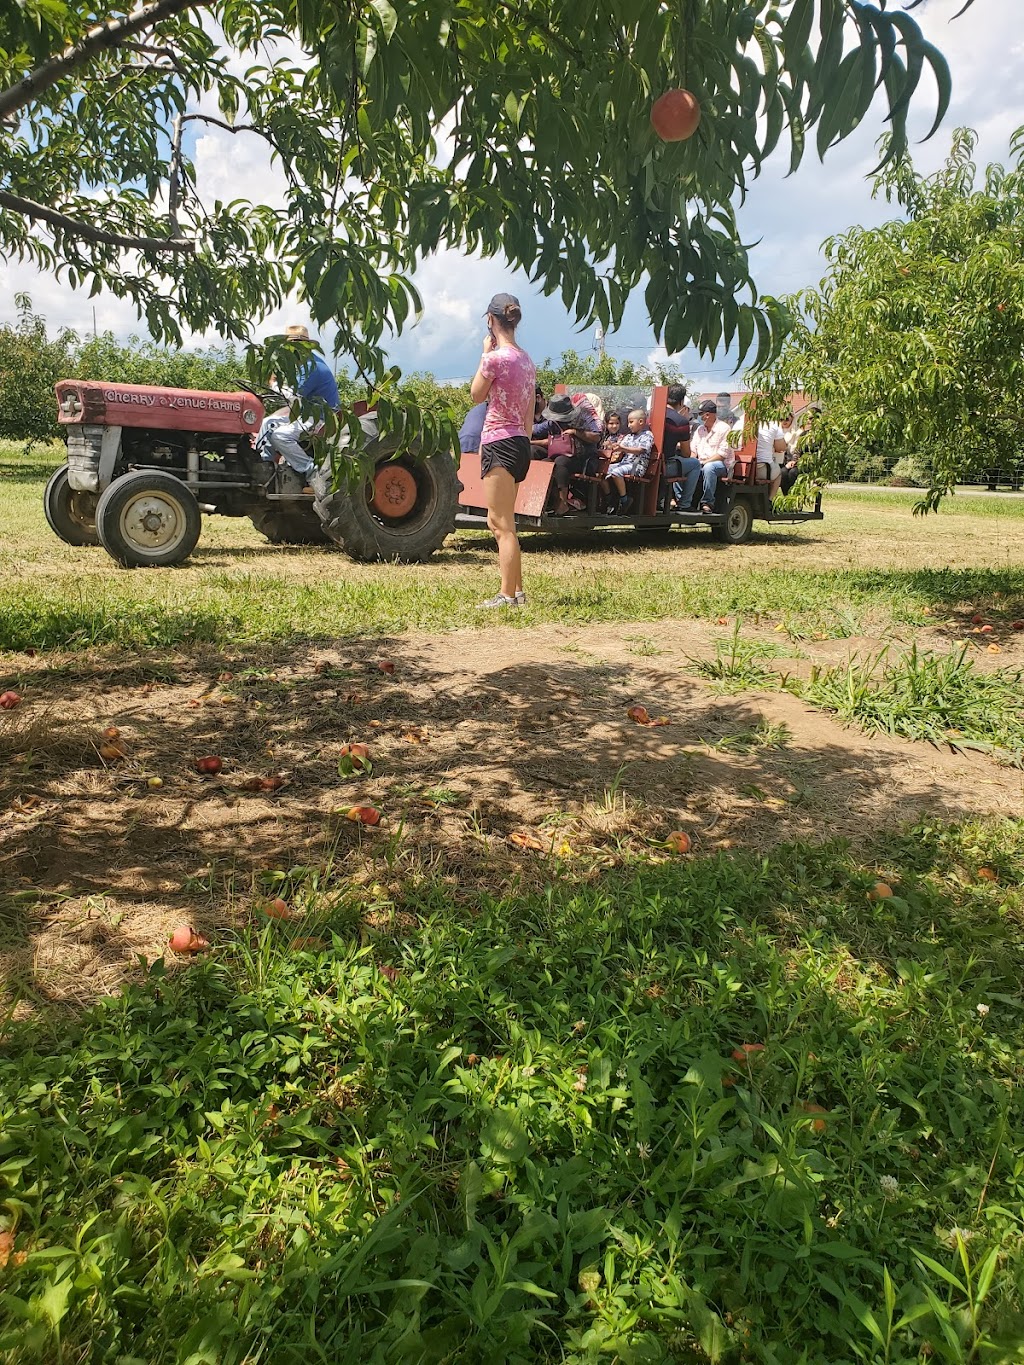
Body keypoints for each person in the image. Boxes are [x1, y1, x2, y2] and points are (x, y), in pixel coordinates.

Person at [470, 292, 536, 608]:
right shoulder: (527, 360)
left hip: (499, 441)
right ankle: (517, 591)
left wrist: (485, 354)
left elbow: (475, 395)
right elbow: (529, 408)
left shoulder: (495, 359)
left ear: (490, 319)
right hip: (521, 442)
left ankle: (506, 596)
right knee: (506, 522)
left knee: (500, 524)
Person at [256, 324, 340, 494]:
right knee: (267, 423)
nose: (291, 350)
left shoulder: (313, 367)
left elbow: (293, 396)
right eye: (289, 345)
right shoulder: (300, 366)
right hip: (305, 414)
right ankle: (265, 470)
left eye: (296, 345)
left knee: (281, 436)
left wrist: (272, 383)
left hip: (322, 418)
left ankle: (313, 474)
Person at [540, 393, 602, 515]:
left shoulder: (584, 416)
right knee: (545, 463)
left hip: (584, 459)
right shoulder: (553, 422)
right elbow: (537, 429)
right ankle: (549, 502)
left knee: (560, 462)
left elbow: (596, 437)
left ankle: (563, 503)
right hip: (562, 457)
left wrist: (575, 432)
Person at [602, 408, 654, 513]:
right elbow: (620, 447)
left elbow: (640, 450)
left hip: (637, 466)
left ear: (641, 422)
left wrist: (623, 449)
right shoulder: (629, 436)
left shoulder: (647, 435)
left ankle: (624, 500)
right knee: (602, 471)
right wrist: (611, 446)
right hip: (624, 464)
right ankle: (610, 499)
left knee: (616, 472)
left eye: (631, 422)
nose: (628, 425)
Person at [660, 384, 701, 511]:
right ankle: (684, 504)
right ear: (681, 401)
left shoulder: (652, 414)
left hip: (649, 463)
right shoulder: (681, 422)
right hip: (665, 466)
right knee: (695, 464)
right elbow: (686, 453)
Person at [691, 399, 734, 513]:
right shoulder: (700, 429)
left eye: (700, 414)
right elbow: (693, 451)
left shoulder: (724, 428)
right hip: (701, 463)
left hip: (721, 465)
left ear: (708, 415)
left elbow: (722, 455)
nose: (699, 417)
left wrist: (703, 463)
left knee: (709, 467)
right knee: (684, 465)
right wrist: (691, 462)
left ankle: (708, 502)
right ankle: (684, 501)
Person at [754, 416, 788, 498]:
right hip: (762, 468)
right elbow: (781, 448)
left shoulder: (740, 422)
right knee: (778, 473)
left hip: (740, 467)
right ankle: (770, 500)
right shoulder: (773, 424)